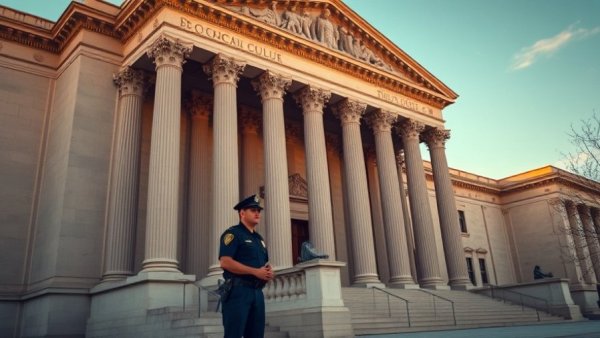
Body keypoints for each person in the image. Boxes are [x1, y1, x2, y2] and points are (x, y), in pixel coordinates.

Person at [219, 194, 274, 338]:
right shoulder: (233, 234)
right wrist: (255, 272)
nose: (257, 213)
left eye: (259, 210)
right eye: (252, 210)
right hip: (238, 292)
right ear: (242, 213)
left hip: (257, 293)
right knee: (234, 335)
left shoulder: (259, 239)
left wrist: (267, 272)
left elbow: (263, 264)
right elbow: (225, 261)